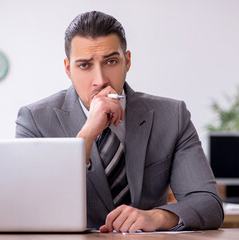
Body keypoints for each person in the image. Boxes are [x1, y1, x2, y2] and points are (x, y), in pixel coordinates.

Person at [15, 11, 224, 233]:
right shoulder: (34, 120)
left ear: (128, 61)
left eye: (111, 61)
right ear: (68, 69)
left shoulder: (173, 116)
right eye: (85, 65)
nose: (101, 80)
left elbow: (208, 204)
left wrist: (158, 217)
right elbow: (30, 207)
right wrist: (86, 135)